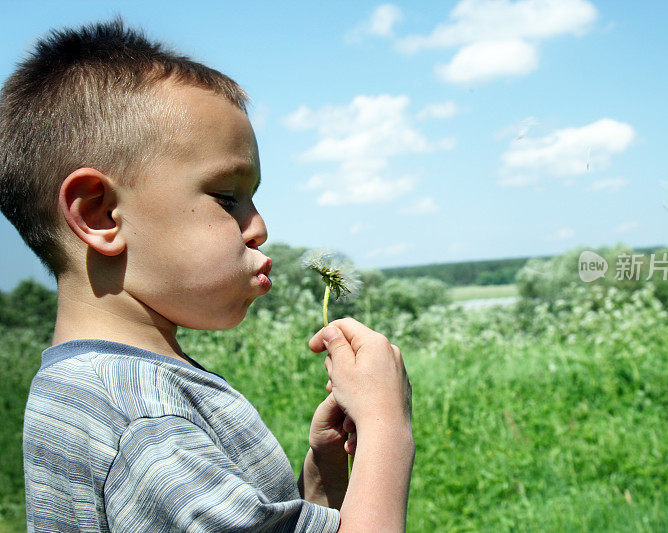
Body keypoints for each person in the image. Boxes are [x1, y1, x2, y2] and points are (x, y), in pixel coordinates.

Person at [0, 16, 414, 532]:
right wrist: (386, 429)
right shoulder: (144, 421)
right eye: (227, 197)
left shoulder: (96, 388)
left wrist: (323, 478)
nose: (259, 227)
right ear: (101, 215)